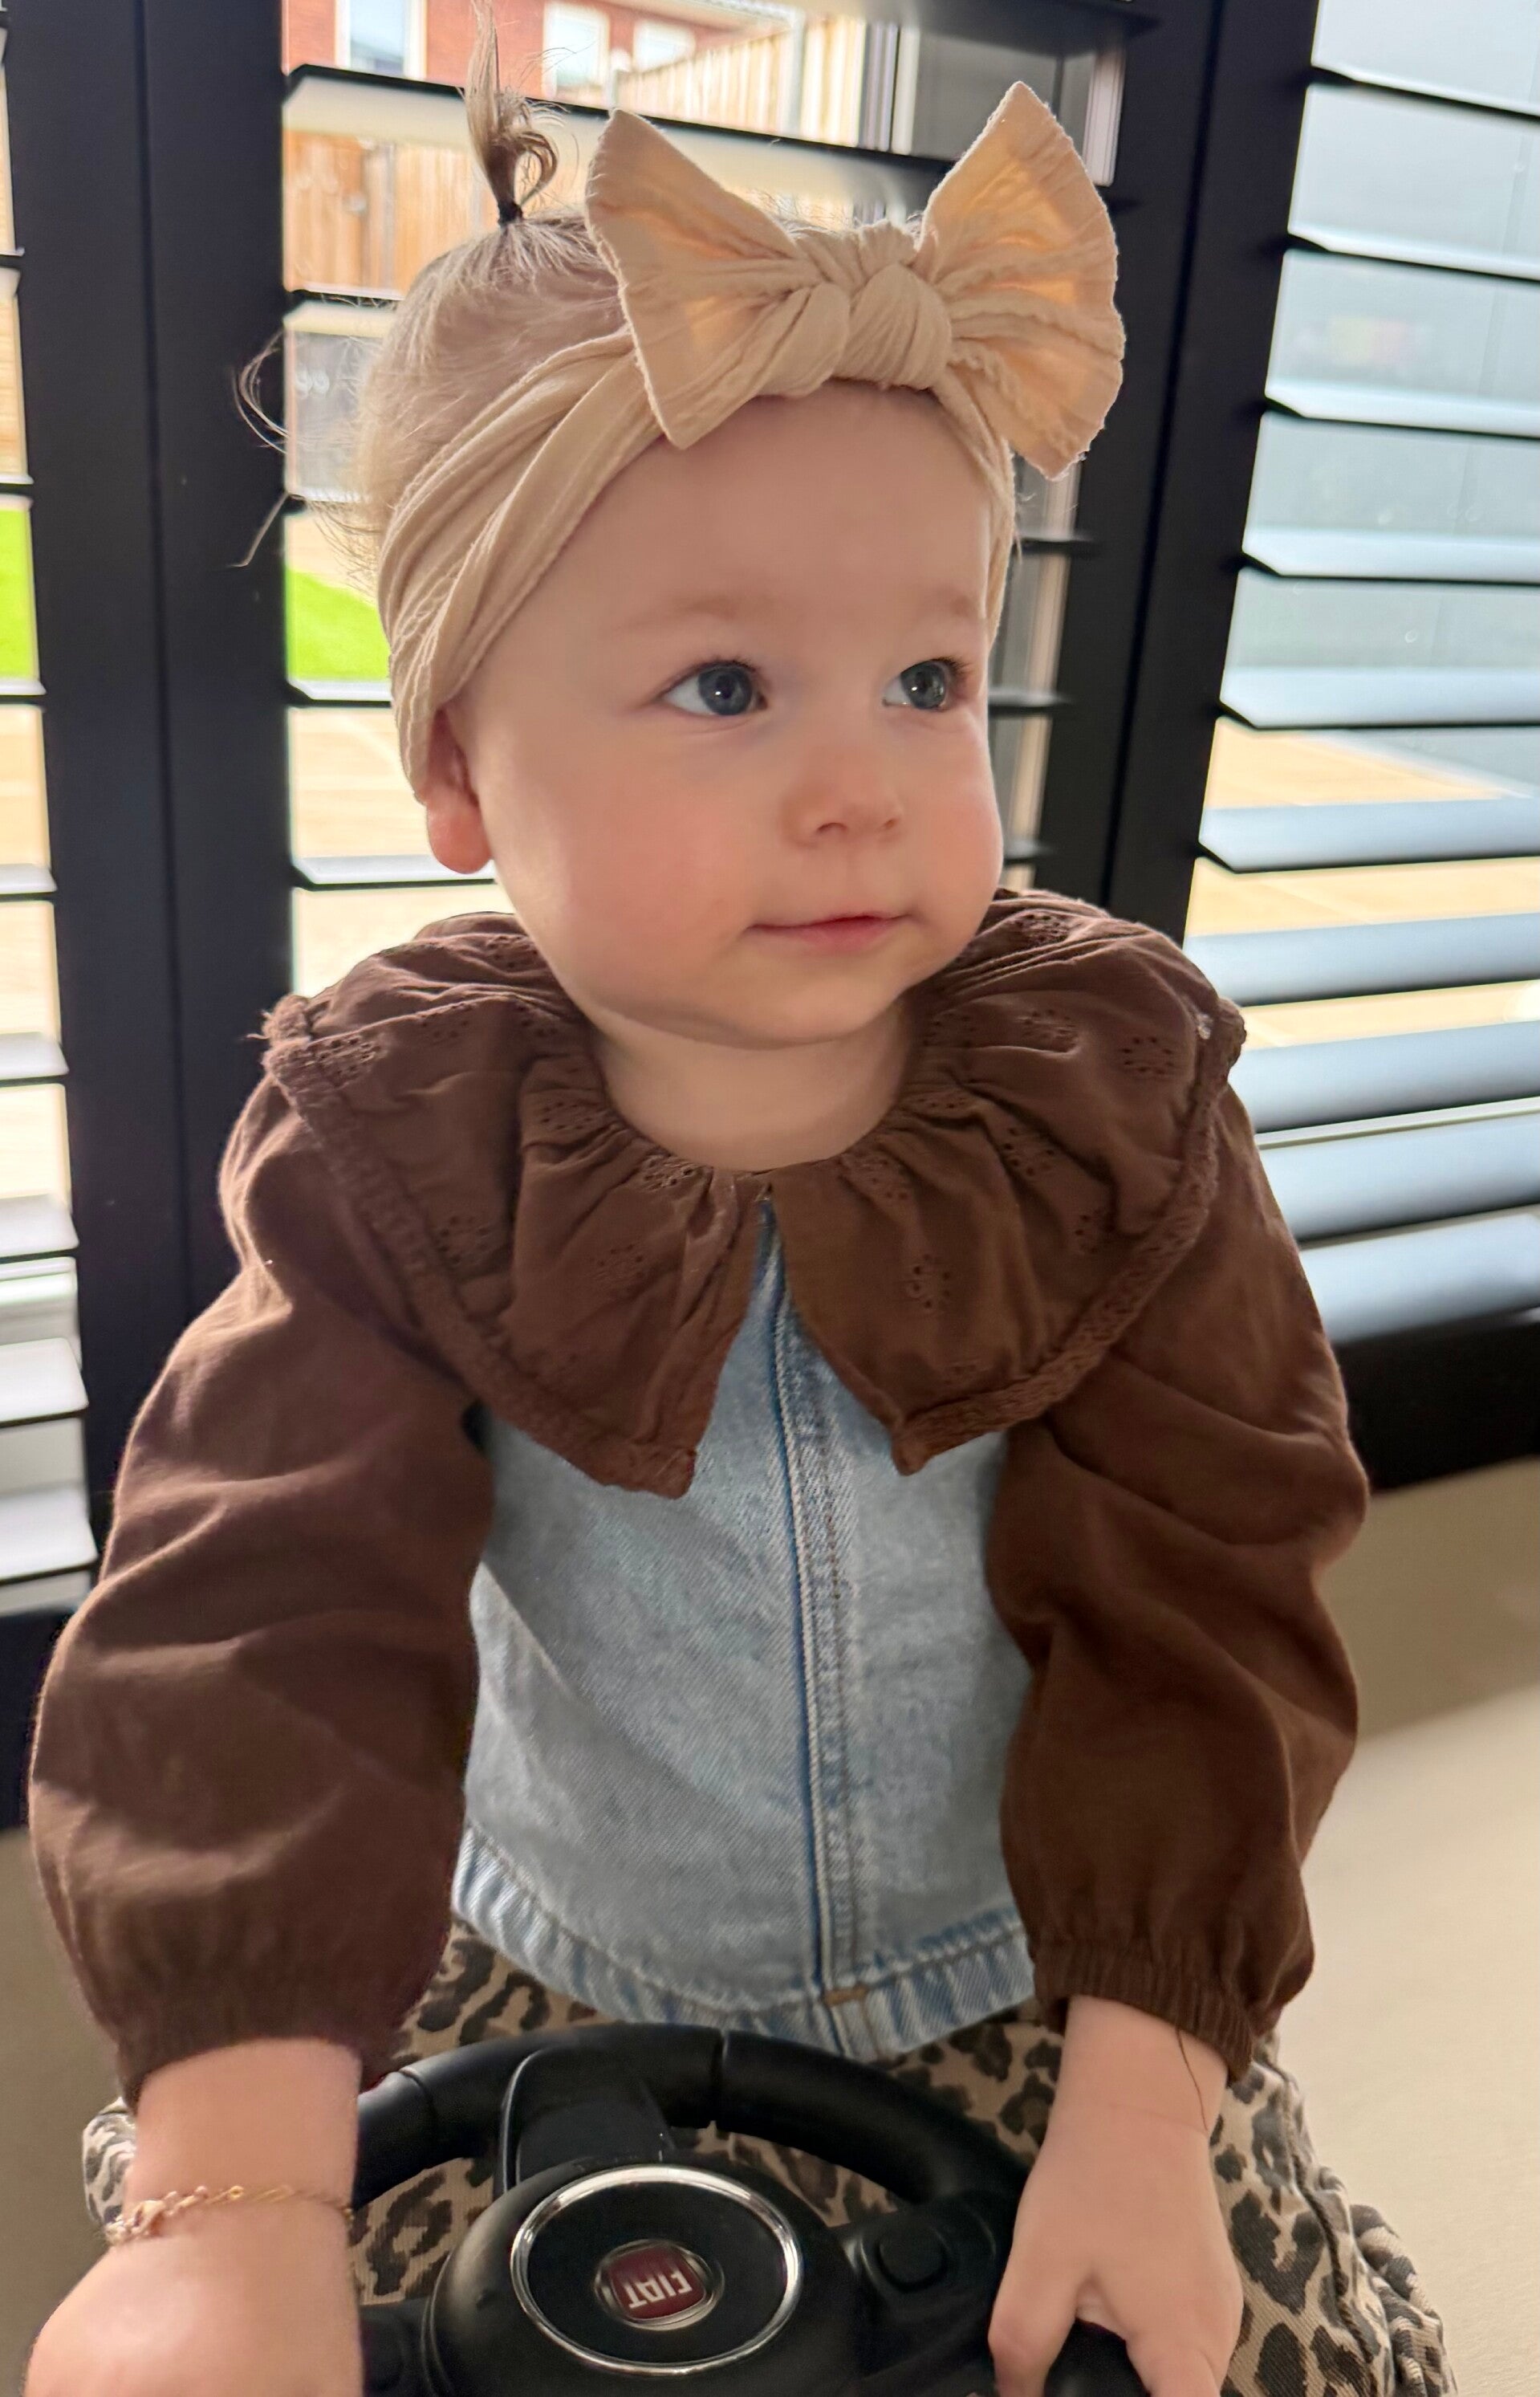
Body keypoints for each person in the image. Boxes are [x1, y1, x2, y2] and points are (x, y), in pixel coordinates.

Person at [22, 19, 1451, 2397]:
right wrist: (233, 2198)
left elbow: (1214, 1594)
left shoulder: (1112, 1097)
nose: (861, 788)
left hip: (1046, 1973)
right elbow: (256, 1625)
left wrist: (1144, 2098)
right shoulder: (396, 1137)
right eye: (722, 687)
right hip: (550, 1980)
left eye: (927, 678)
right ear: (460, 762)